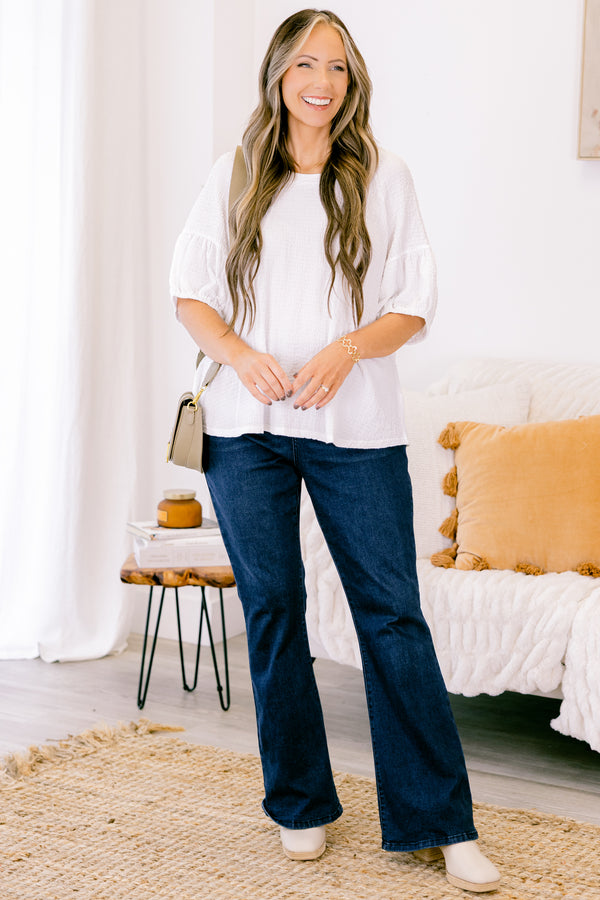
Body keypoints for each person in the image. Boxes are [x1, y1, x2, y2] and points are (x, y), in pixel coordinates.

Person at [170, 8, 501, 894]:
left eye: (340, 69)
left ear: (354, 85)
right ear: (278, 72)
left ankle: (441, 822)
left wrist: (345, 348)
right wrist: (240, 355)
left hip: (354, 432)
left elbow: (413, 303)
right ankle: (301, 805)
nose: (323, 81)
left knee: (392, 615)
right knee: (273, 612)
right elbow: (191, 293)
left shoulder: (383, 175)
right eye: (308, 63)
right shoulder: (236, 173)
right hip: (246, 432)